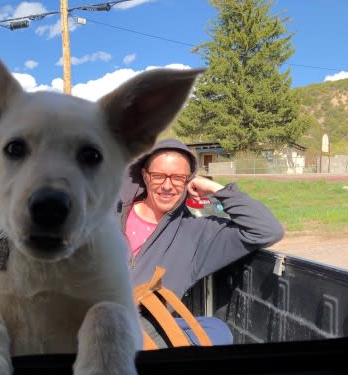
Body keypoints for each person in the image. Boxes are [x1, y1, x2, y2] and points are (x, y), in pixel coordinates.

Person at [119, 138, 284, 346]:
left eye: (178, 178)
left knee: (217, 331)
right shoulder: (106, 214)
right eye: (158, 176)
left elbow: (267, 230)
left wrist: (216, 189)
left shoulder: (197, 234)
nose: (167, 186)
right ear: (145, 175)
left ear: (189, 180)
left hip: (146, 327)